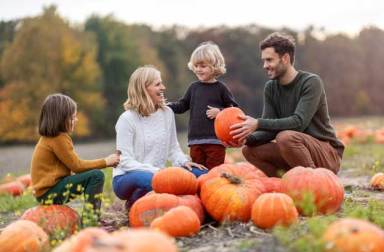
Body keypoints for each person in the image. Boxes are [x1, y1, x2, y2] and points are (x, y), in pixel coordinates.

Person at [229, 32, 344, 177]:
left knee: (285, 137)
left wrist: (257, 123)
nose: (265, 65)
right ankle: (285, 186)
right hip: (294, 151)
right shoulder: (271, 87)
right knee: (249, 150)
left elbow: (299, 122)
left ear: (285, 58)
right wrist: (245, 138)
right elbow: (268, 130)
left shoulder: (311, 82)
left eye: (269, 60)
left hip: (326, 154)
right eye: (263, 61)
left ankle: (315, 183)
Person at [113, 65, 207, 208]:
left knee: (201, 175)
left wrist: (183, 162)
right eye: (158, 84)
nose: (163, 87)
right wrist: (158, 172)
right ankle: (136, 202)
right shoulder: (127, 119)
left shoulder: (167, 113)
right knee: (150, 180)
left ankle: (144, 198)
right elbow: (124, 161)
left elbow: (173, 148)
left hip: (159, 175)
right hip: (127, 177)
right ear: (144, 89)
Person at [30, 93, 120, 224]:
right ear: (60, 119)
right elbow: (77, 166)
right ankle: (90, 221)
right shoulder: (58, 138)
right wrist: (106, 162)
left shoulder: (51, 138)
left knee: (92, 175)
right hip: (49, 193)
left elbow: (74, 165)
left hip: (47, 192)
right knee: (96, 176)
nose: (76, 120)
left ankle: (91, 219)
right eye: (72, 117)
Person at [168, 41, 238, 169]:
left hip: (215, 141)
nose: (198, 69)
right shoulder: (193, 88)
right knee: (197, 172)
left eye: (203, 66)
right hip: (195, 141)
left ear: (214, 66)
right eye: (196, 66)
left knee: (213, 173)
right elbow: (182, 105)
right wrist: (167, 106)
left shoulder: (221, 88)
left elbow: (234, 110)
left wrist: (220, 112)